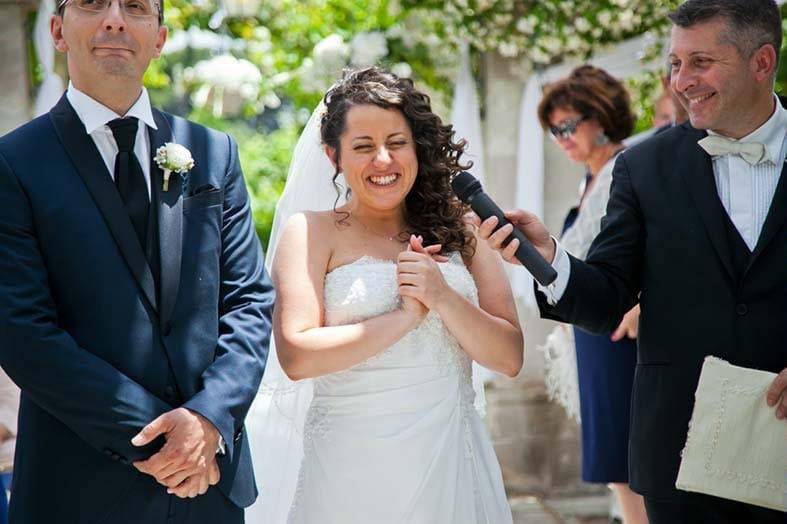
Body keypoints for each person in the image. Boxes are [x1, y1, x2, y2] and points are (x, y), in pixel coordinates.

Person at [480, 1, 786, 522]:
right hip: (680, 450)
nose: (681, 81)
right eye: (674, 63)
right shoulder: (642, 167)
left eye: (701, 62)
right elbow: (607, 298)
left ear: (762, 62)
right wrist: (550, 257)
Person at [0, 1, 274, 522]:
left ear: (160, 38)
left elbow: (248, 300)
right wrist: (166, 440)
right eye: (92, 4)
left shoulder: (215, 153)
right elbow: (22, 332)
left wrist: (209, 420)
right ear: (58, 30)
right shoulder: (12, 165)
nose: (115, 20)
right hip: (78, 488)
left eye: (136, 7)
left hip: (206, 486)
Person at [249, 67, 522, 523]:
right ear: (332, 155)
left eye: (397, 143)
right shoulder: (311, 232)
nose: (383, 160)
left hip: (449, 461)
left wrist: (442, 296)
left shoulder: (462, 229)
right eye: (362, 147)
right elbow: (296, 356)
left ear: (418, 147)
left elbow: (510, 357)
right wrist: (403, 317)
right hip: (350, 474)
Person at [536, 65, 648, 524]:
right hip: (593, 337)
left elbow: (662, 247)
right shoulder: (589, 179)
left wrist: (645, 304)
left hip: (625, 338)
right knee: (611, 463)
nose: (561, 137)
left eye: (567, 125)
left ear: (599, 117)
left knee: (628, 463)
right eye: (553, 130)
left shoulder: (631, 168)